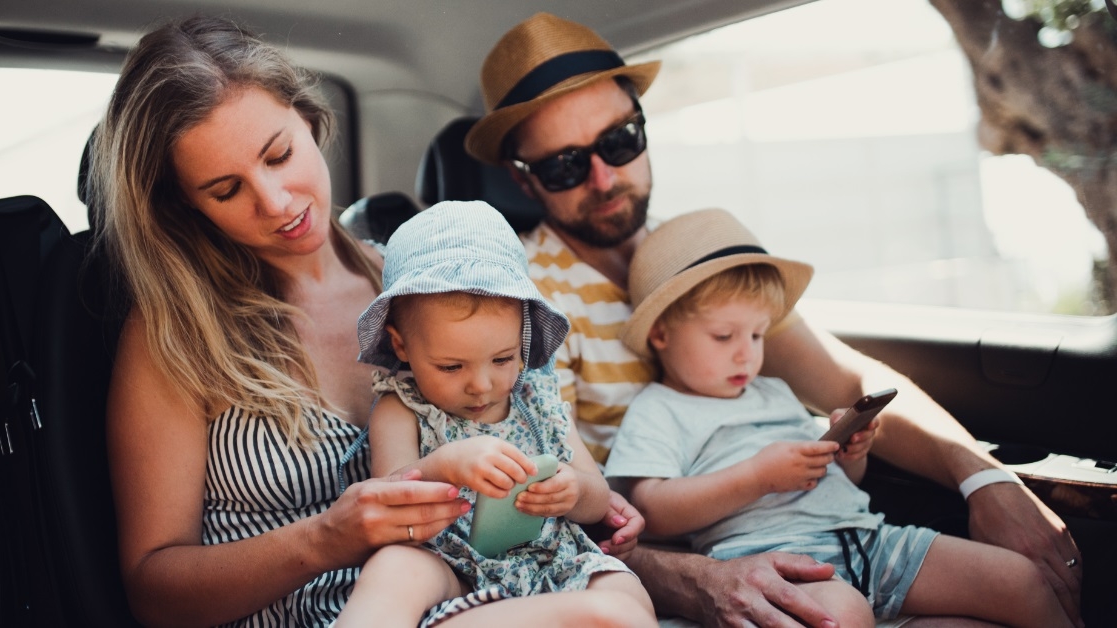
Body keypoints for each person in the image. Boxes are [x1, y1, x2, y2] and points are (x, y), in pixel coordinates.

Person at [462, 11, 1084, 628]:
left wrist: (985, 481)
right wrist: (700, 579)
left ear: (643, 126)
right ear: (523, 177)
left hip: (830, 539)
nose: (604, 178)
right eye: (565, 165)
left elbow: (848, 381)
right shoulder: (524, 303)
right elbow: (551, 512)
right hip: (680, 565)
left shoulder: (694, 254)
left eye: (620, 141)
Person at [97, 16, 639, 628]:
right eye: (226, 190)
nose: (276, 202)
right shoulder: (175, 333)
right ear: (184, 205)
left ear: (309, 120)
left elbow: (553, 490)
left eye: (280, 154)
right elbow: (153, 593)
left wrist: (602, 514)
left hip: (480, 601)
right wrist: (326, 539)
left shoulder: (431, 290)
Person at [603, 208, 1073, 628]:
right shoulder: (658, 409)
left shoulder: (771, 391)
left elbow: (839, 483)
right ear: (661, 333)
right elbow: (652, 508)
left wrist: (849, 454)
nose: (747, 353)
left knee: (1021, 580)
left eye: (758, 334)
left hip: (870, 538)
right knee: (842, 616)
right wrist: (756, 477)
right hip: (773, 558)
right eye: (724, 336)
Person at [337, 200, 655, 627]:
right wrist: (444, 465)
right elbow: (387, 502)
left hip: (551, 560)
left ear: (522, 337)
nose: (482, 386)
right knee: (395, 566)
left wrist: (572, 491)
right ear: (400, 346)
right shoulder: (401, 407)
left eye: (503, 359)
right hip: (452, 569)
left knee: (625, 592)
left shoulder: (538, 396)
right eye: (451, 367)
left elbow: (597, 496)